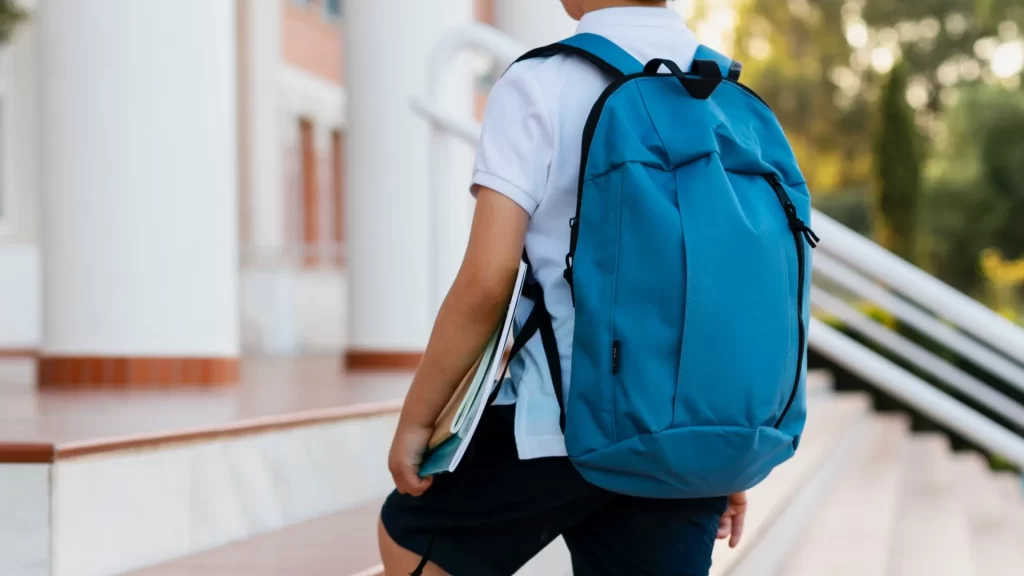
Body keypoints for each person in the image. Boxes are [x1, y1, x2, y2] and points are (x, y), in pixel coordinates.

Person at [379, 1, 749, 574]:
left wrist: (418, 419)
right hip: (687, 435)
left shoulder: (540, 82)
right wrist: (725, 448)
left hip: (558, 426)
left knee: (407, 536)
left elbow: (487, 280)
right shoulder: (722, 91)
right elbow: (731, 287)